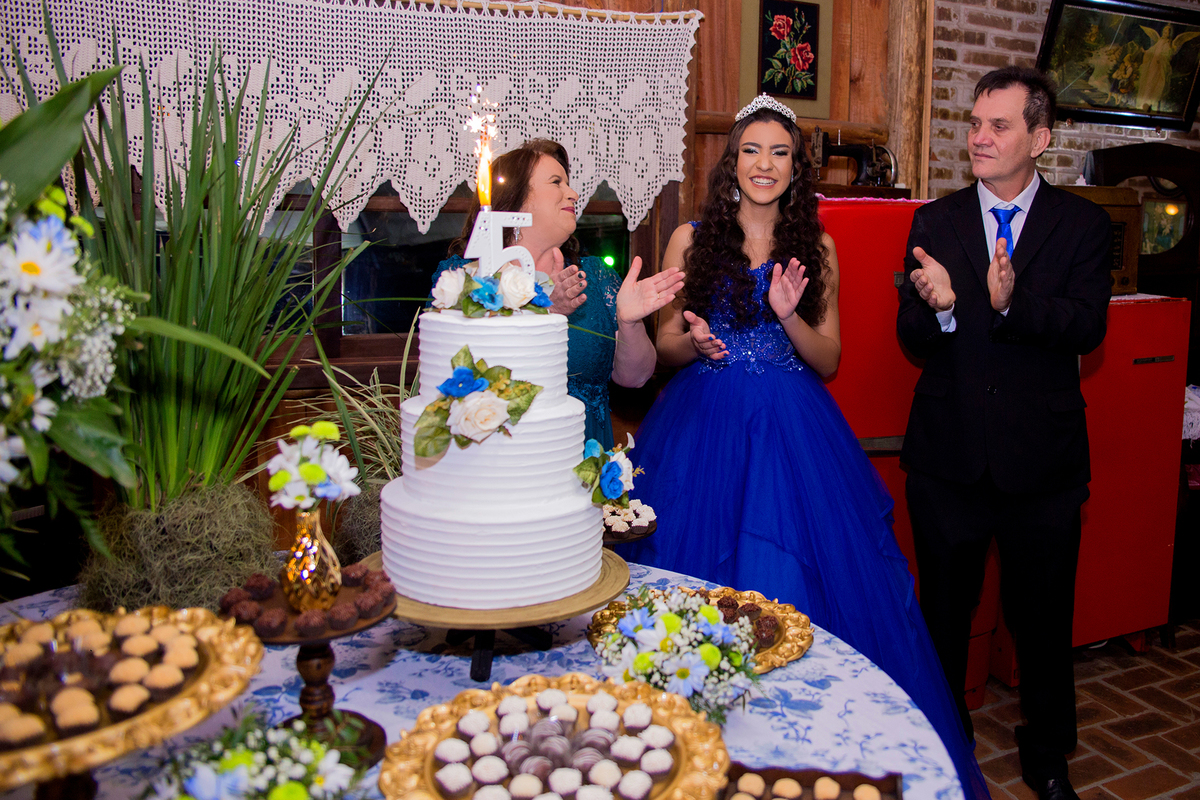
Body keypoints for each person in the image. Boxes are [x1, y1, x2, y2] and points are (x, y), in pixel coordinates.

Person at [617, 95, 989, 800]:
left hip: (795, 429)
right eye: (752, 150)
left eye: (780, 152)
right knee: (697, 581)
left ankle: (801, 749)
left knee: (806, 582)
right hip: (705, 426)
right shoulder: (691, 241)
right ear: (733, 162)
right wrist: (690, 342)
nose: (765, 164)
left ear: (796, 167)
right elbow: (664, 344)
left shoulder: (817, 246)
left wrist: (788, 318)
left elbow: (829, 359)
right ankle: (699, 754)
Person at [898, 66, 1111, 800]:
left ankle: (1047, 757)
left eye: (999, 126)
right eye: (975, 123)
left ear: (1039, 139)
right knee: (943, 620)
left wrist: (1014, 305)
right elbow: (913, 337)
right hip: (948, 459)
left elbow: (1088, 325)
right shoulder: (936, 221)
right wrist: (946, 308)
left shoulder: (1082, 226)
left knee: (1044, 625)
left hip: (1043, 467)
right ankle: (940, 740)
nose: (979, 138)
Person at [434, 139, 683, 449]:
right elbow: (460, 376)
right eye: (556, 182)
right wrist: (546, 312)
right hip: (503, 453)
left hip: (584, 454)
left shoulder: (594, 277)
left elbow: (636, 377)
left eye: (569, 182)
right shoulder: (468, 279)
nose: (573, 193)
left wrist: (628, 321)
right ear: (517, 202)